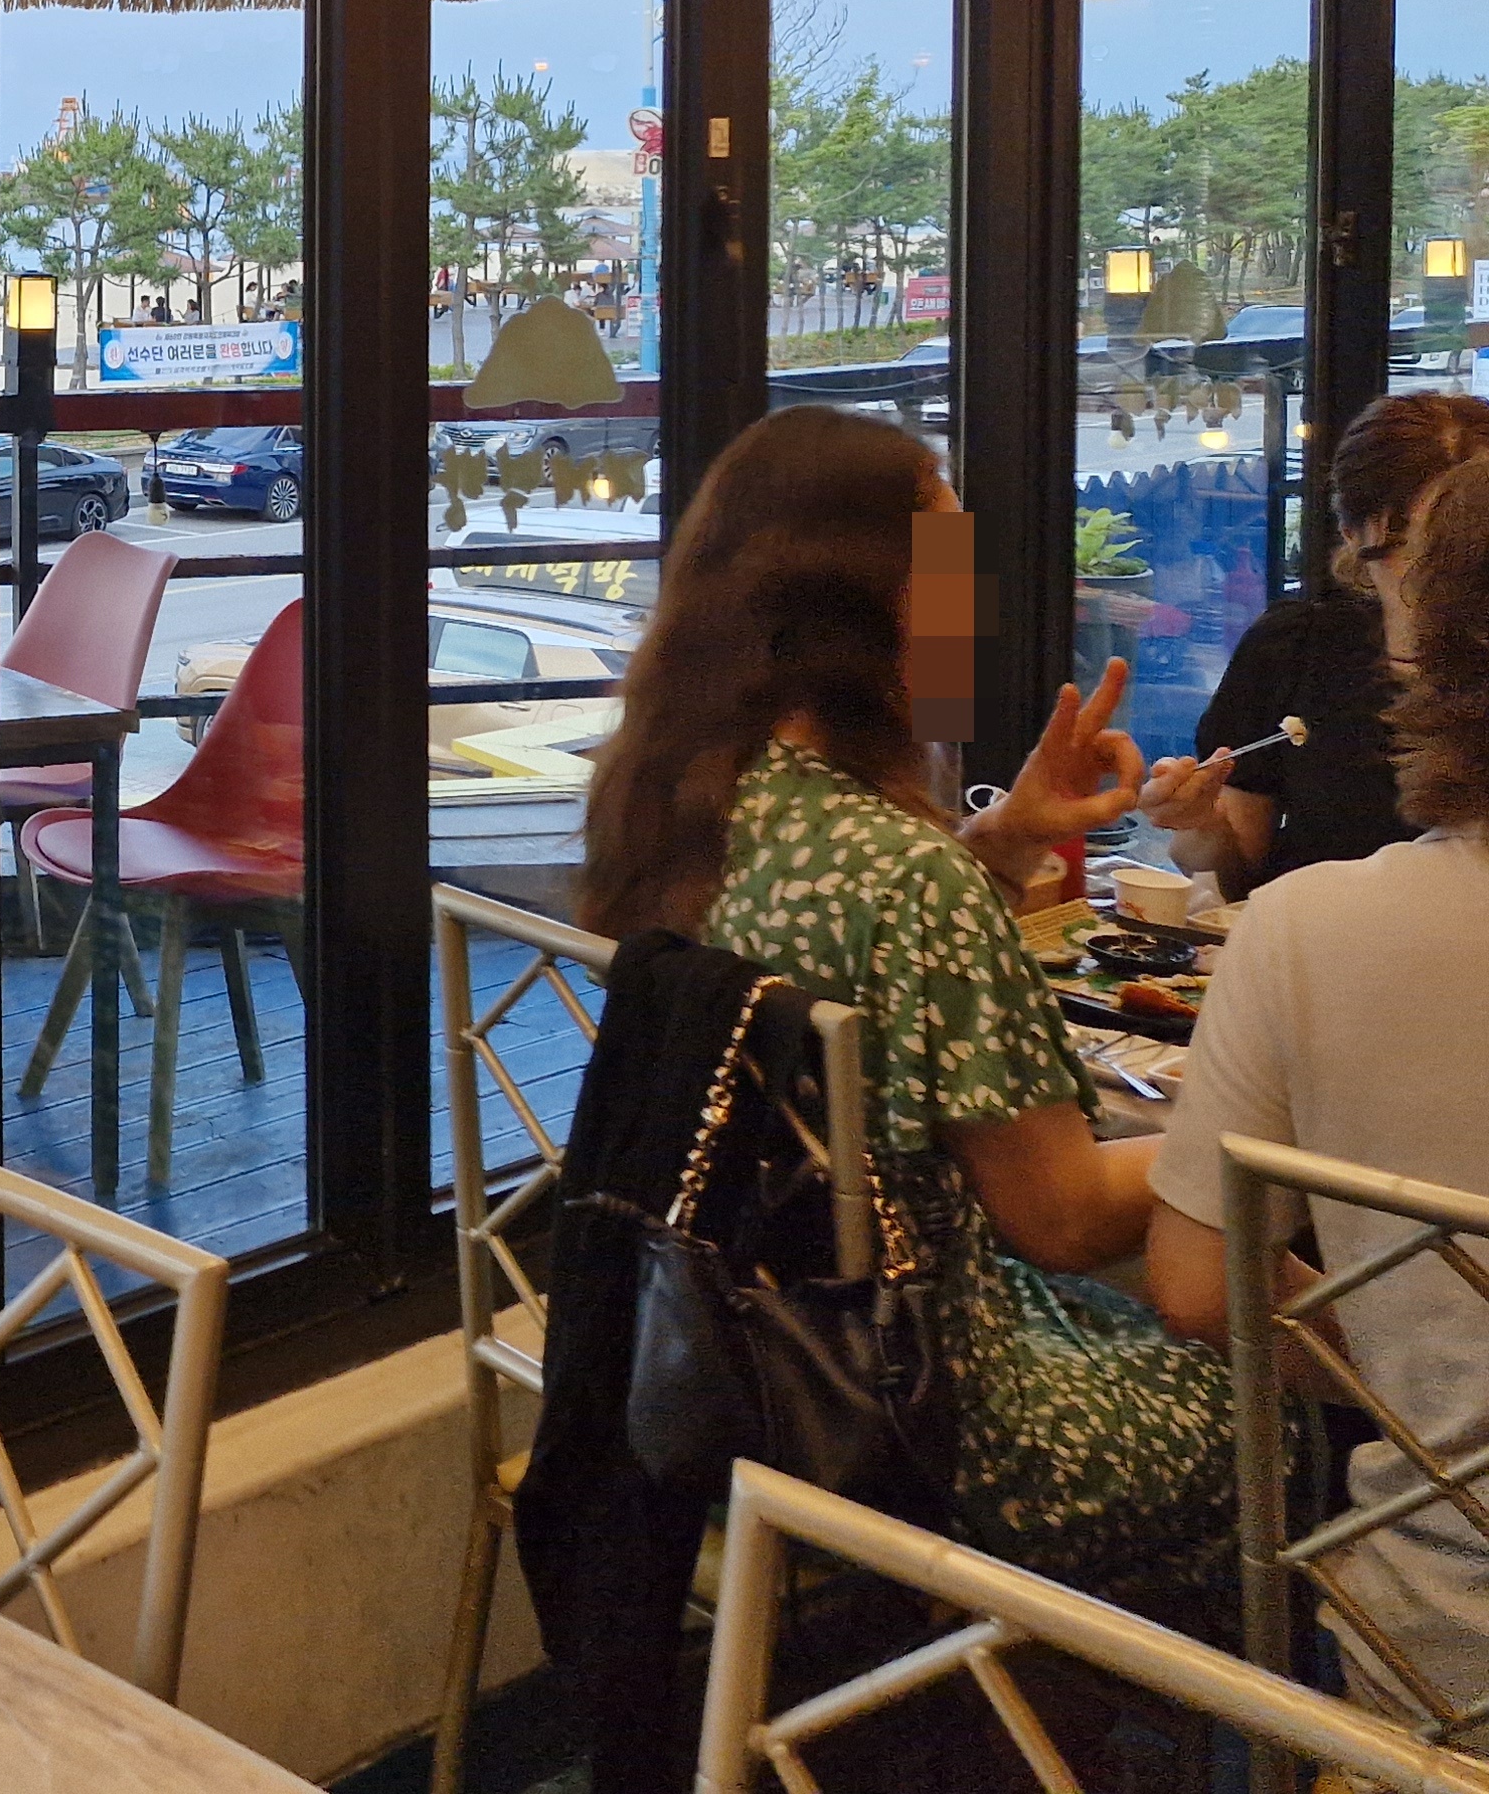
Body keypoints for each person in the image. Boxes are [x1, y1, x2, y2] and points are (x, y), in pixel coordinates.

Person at [583, 405, 1234, 1607]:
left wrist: (1003, 840)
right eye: (948, 569)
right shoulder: (904, 876)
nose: (972, 605)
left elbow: (852, 962)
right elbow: (1062, 1221)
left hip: (706, 1360)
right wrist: (1256, 1127)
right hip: (921, 1423)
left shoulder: (680, 809)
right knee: (1281, 1407)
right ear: (863, 608)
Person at [1144, 451, 1489, 1725]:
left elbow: (1195, 1287)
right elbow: (1220, 844)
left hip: (1432, 1662)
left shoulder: (1309, 932)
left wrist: (1419, 1390)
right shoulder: (1279, 663)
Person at [1151, 390, 1489, 895]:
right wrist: (1198, 821)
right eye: (1429, 542)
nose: (1455, 565)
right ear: (1353, 532)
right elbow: (1230, 868)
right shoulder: (1298, 649)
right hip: (1318, 932)